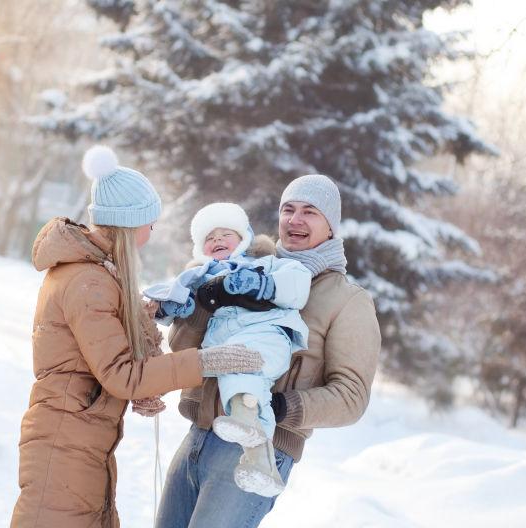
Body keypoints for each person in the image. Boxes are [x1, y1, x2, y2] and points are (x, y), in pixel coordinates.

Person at [11, 146, 266, 528]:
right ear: (130, 225)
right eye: (151, 222)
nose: (153, 230)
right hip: (64, 443)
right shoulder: (88, 281)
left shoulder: (99, 273)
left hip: (81, 438)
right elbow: (122, 375)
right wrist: (204, 362)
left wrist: (143, 360)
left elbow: (107, 363)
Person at [155, 175, 382, 528]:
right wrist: (205, 299)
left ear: (331, 226)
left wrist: (280, 408)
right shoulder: (245, 266)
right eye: (288, 209)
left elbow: (351, 397)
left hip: (260, 449)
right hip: (199, 435)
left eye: (310, 212)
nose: (295, 220)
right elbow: (182, 347)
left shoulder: (347, 301)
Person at [143, 202, 312, 497]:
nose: (217, 240)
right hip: (227, 348)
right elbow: (173, 294)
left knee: (245, 374)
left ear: (244, 239)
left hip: (267, 334)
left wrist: (264, 285)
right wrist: (169, 305)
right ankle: (260, 461)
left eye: (226, 234)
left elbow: (297, 282)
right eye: (209, 238)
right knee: (242, 382)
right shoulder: (199, 277)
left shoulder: (265, 264)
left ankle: (248, 428)